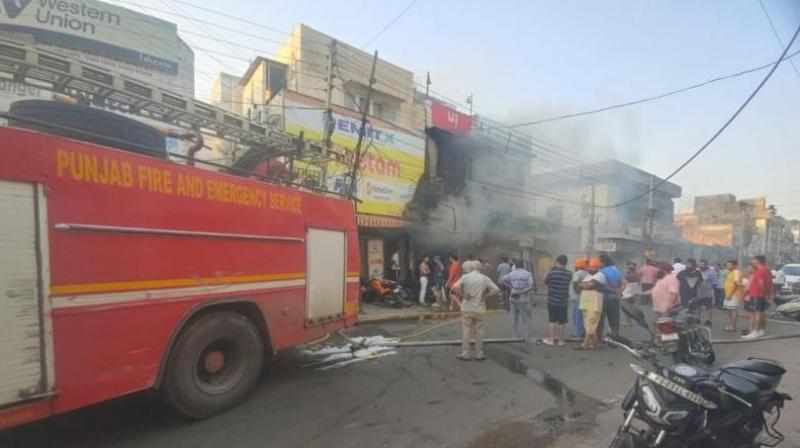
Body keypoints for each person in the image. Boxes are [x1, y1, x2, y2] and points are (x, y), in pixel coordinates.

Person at [451, 260, 500, 360]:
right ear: (480, 268)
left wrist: (463, 295)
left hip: (467, 308)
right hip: (480, 309)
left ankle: (465, 353)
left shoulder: (465, 277)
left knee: (466, 331)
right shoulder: (485, 278)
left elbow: (454, 287)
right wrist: (486, 295)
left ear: (471, 268)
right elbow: (496, 289)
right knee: (479, 331)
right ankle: (479, 353)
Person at [501, 259, 536, 342]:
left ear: (515, 266)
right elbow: (531, 286)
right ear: (523, 265)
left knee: (514, 317)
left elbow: (501, 280)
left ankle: (515, 337)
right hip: (523, 298)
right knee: (527, 318)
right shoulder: (527, 274)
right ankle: (527, 338)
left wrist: (511, 287)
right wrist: (522, 291)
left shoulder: (511, 274)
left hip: (513, 296)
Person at [576, 258, 606, 350]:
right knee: (587, 322)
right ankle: (591, 343)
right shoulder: (587, 276)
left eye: (592, 267)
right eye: (588, 267)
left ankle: (585, 343)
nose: (589, 268)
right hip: (585, 302)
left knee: (591, 322)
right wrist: (585, 285)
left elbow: (589, 285)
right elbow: (579, 286)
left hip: (594, 302)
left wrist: (584, 285)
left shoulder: (600, 275)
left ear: (597, 268)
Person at [543, 255, 572, 346]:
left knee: (552, 320)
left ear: (558, 262)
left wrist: (551, 270)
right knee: (561, 321)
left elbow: (545, 282)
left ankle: (551, 340)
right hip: (563, 301)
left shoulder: (551, 273)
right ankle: (559, 340)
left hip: (552, 300)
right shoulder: (569, 274)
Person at [743, 255, 772, 339]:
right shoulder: (767, 270)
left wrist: (763, 293)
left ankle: (755, 331)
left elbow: (761, 283)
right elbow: (770, 284)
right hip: (761, 295)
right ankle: (760, 331)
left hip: (757, 294)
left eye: (753, 261)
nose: (752, 263)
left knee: (756, 313)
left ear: (758, 261)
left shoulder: (760, 270)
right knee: (761, 313)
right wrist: (767, 294)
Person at [598, 253, 623, 339]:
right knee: (614, 319)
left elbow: (604, 285)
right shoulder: (616, 269)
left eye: (599, 262)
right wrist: (618, 291)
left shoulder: (602, 272)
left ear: (603, 262)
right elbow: (624, 283)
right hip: (615, 299)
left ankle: (599, 338)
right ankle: (615, 337)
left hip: (604, 299)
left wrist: (613, 290)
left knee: (601, 319)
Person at [723, 260, 744, 332]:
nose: (728, 266)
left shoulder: (736, 272)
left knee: (733, 310)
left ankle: (733, 326)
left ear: (735, 265)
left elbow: (736, 284)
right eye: (727, 265)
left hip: (734, 295)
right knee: (729, 310)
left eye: (730, 265)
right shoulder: (731, 272)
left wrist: (730, 294)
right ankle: (731, 325)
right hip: (728, 294)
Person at [570, 258, 588, 339]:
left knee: (576, 315)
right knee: (582, 315)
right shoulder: (586, 273)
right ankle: (582, 331)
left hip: (577, 297)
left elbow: (575, 283)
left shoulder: (577, 273)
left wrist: (577, 292)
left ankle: (577, 333)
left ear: (577, 266)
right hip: (584, 296)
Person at [697, 260, 717, 326]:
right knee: (698, 307)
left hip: (708, 293)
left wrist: (710, 290)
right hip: (698, 293)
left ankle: (708, 320)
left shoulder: (711, 272)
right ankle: (698, 319)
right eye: (700, 265)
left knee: (708, 307)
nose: (701, 266)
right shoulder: (697, 271)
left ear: (706, 265)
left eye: (703, 265)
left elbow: (714, 284)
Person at [620, 262, 641, 326]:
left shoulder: (627, 275)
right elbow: (638, 283)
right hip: (633, 293)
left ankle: (628, 322)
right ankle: (629, 321)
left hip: (626, 294)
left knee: (625, 308)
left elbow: (623, 283)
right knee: (630, 307)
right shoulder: (637, 275)